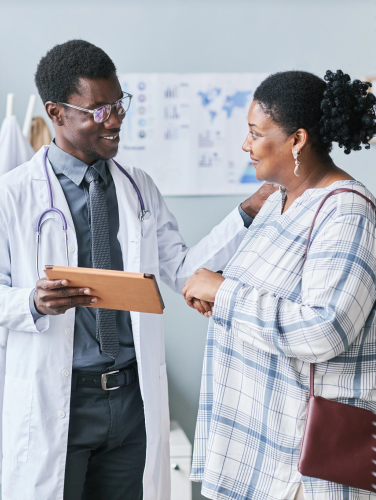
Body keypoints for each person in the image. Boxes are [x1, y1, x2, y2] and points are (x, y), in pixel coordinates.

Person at [0, 40, 276, 500]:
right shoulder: (12, 195)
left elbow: (183, 269)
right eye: (98, 110)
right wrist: (30, 301)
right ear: (57, 112)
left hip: (130, 401)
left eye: (118, 103)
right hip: (60, 399)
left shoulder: (137, 187)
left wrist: (247, 211)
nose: (115, 119)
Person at [183, 70, 376, 500]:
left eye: (255, 132)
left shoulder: (346, 212)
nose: (245, 144)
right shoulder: (277, 201)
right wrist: (220, 300)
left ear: (297, 140)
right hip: (256, 448)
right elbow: (265, 296)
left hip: (301, 465)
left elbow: (325, 328)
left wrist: (225, 293)